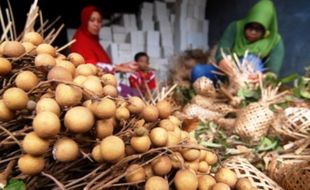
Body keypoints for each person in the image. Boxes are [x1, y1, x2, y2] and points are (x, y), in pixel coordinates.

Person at [191, 0, 284, 82]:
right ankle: (222, 86)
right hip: (227, 72)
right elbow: (221, 52)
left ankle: (244, 91)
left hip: (252, 78)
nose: (253, 32)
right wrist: (227, 65)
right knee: (198, 71)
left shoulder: (274, 41)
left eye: (258, 29)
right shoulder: (235, 27)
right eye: (250, 27)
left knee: (251, 61)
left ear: (266, 30)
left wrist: (261, 78)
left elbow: (272, 74)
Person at [70, 5, 136, 73]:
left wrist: (123, 66)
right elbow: (90, 66)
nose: (96, 24)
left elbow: (104, 65)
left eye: (99, 21)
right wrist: (119, 68)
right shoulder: (80, 41)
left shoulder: (93, 40)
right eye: (92, 20)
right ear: (85, 20)